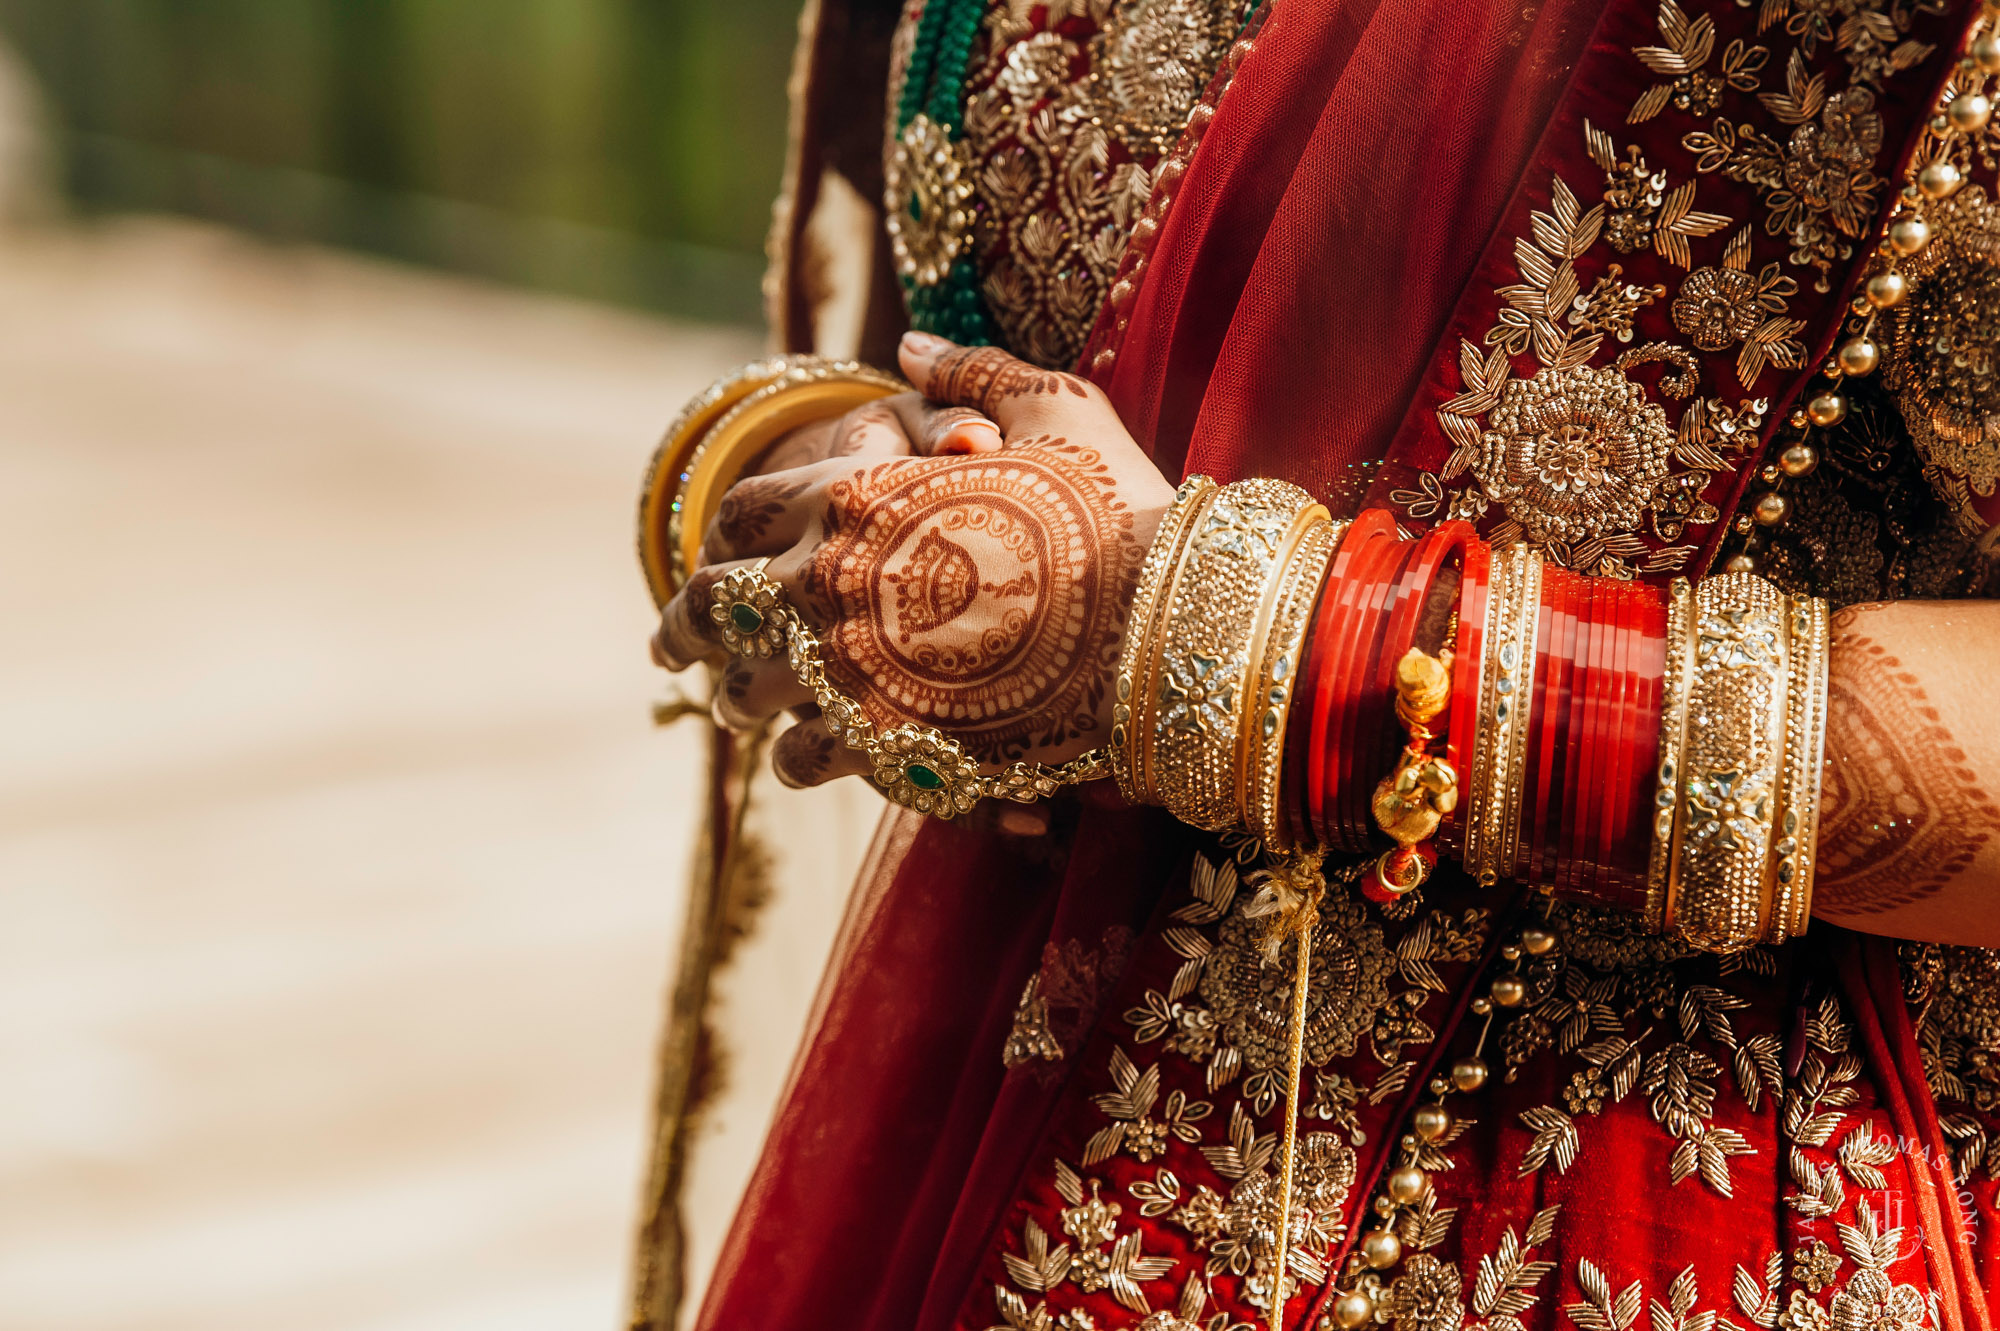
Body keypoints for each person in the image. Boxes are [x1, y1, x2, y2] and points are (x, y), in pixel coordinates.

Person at [637, 2, 2000, 1330]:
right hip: (1001, 1110)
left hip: (1621, 1180)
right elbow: (954, 319)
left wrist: (1233, 639)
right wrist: (834, 495)